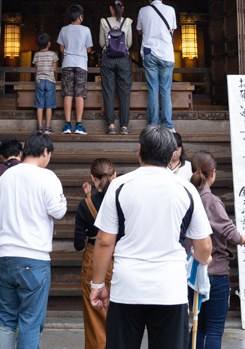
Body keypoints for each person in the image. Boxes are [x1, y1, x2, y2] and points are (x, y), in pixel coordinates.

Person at [88, 126, 213, 349]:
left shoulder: (119, 186)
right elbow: (203, 246)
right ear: (171, 154)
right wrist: (203, 259)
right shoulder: (186, 189)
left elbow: (105, 241)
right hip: (169, 288)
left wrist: (97, 284)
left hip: (127, 287)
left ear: (139, 150)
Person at [0, 131, 68, 349]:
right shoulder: (47, 177)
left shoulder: (5, 177)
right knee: (30, 323)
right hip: (34, 258)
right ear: (45, 152)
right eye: (49, 155)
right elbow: (58, 211)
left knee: (5, 321)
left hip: (5, 256)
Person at [189, 150, 245, 349]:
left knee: (198, 326)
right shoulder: (211, 201)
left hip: (195, 272)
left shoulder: (189, 197)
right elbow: (229, 231)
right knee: (213, 329)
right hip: (215, 272)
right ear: (213, 173)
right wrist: (243, 239)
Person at [74, 158, 117, 349]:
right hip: (120, 259)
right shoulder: (120, 201)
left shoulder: (85, 206)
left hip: (94, 259)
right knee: (120, 317)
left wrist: (88, 199)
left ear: (92, 178)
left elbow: (77, 245)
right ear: (114, 176)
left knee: (95, 320)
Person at [136, 0, 178, 131]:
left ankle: (153, 124)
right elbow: (172, 30)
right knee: (165, 90)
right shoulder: (171, 10)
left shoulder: (143, 11)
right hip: (166, 54)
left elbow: (140, 31)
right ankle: (167, 125)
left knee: (153, 89)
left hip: (150, 53)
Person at [99, 0, 134, 135]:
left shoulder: (103, 21)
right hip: (123, 59)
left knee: (108, 91)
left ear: (111, 9)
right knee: (124, 92)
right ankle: (124, 126)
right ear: (122, 8)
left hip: (108, 58)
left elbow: (102, 43)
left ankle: (111, 126)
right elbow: (129, 43)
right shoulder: (128, 22)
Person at [57, 4, 94, 135]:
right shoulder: (86, 30)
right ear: (80, 17)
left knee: (67, 94)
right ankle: (78, 125)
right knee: (79, 95)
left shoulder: (64, 29)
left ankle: (67, 125)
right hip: (81, 64)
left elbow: (61, 49)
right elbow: (89, 49)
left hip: (67, 63)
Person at [32, 33, 58, 135]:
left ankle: (39, 128)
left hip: (39, 80)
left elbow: (36, 69)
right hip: (50, 81)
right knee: (49, 105)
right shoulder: (53, 55)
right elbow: (55, 70)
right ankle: (47, 128)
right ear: (49, 43)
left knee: (39, 105)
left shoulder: (36, 55)